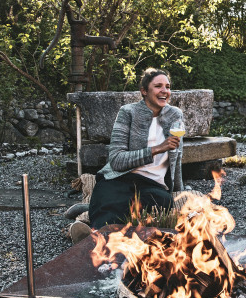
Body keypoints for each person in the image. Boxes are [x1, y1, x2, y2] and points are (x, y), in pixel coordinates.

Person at [79, 68, 184, 237]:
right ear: (144, 91)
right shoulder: (128, 112)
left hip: (154, 184)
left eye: (167, 86)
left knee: (161, 207)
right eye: (158, 86)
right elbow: (116, 160)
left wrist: (177, 188)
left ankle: (111, 231)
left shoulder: (175, 115)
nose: (165, 91)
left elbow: (177, 156)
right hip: (121, 177)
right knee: (109, 200)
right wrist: (157, 149)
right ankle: (97, 237)